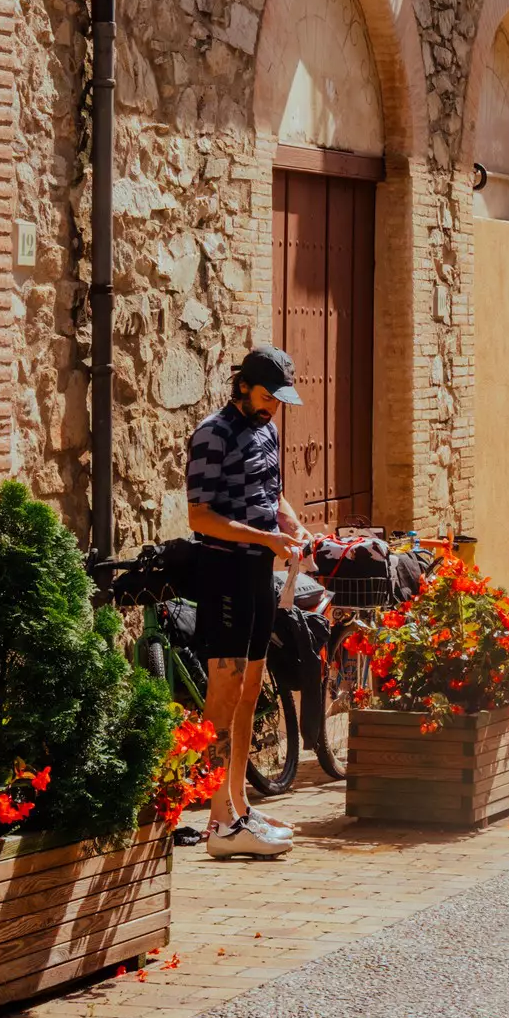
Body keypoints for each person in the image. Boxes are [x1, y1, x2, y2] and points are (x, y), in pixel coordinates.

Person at [185, 346, 310, 860]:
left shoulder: (268, 430)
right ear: (242, 387)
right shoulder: (210, 435)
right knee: (225, 690)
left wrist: (289, 523)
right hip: (224, 572)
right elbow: (199, 517)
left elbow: (270, 494)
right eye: (266, 396)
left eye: (279, 400)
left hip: (260, 569)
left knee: (252, 685)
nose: (273, 407)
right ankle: (218, 821)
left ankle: (237, 805)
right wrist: (263, 540)